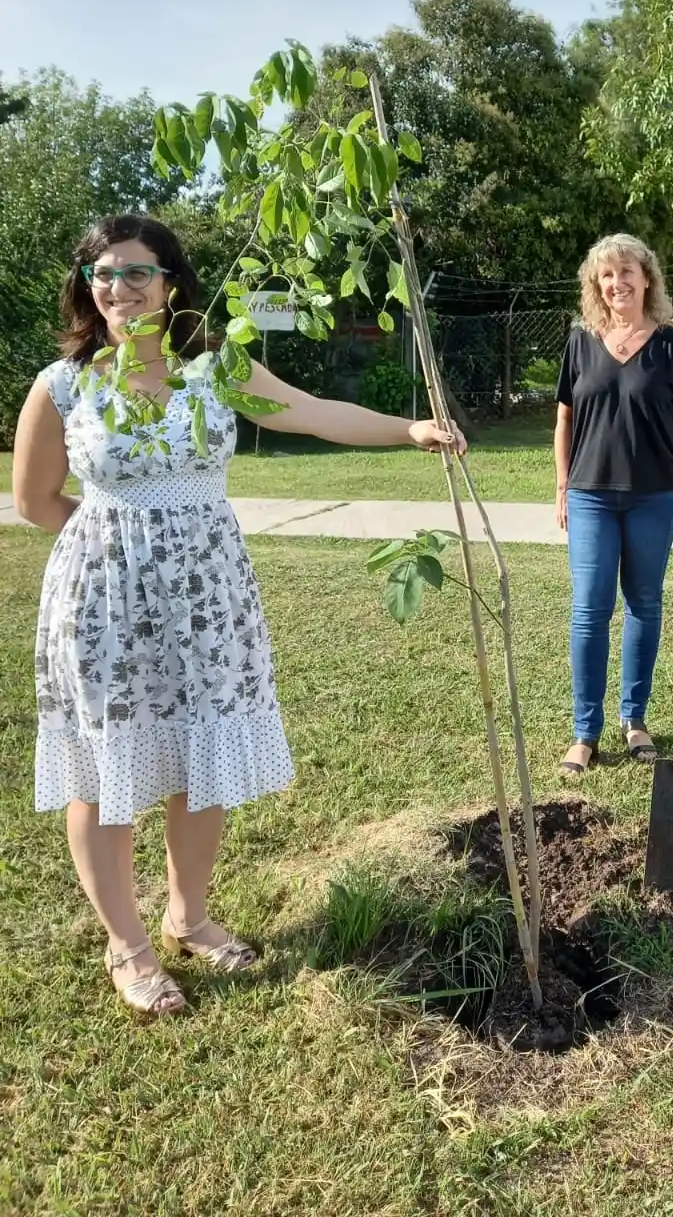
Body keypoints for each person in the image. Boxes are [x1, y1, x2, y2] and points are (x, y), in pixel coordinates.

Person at [12, 214, 464, 1017]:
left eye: (136, 273)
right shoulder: (63, 385)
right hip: (104, 603)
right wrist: (121, 539)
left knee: (201, 752)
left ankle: (188, 915)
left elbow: (315, 411)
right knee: (104, 771)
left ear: (173, 281)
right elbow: (37, 500)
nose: (118, 289)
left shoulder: (213, 369)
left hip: (210, 599)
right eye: (102, 275)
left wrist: (412, 430)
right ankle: (129, 944)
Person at [554, 234, 673, 775]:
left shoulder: (671, 345)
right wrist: (562, 487)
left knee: (644, 604)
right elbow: (565, 420)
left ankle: (635, 721)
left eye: (628, 272)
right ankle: (585, 732)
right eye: (607, 276)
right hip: (590, 495)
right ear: (596, 286)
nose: (618, 283)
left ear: (647, 279)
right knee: (589, 610)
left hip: (655, 495)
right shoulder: (580, 343)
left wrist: (667, 441)